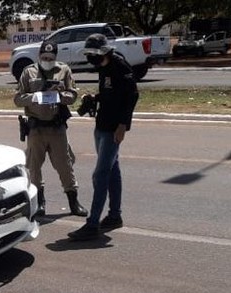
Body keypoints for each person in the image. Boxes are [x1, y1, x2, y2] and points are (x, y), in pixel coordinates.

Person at [68, 33, 139, 241]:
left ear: (105, 51)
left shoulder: (120, 66)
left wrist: (123, 125)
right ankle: (115, 216)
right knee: (112, 171)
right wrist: (95, 97)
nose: (91, 58)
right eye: (89, 54)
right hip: (101, 125)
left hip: (113, 129)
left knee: (100, 175)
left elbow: (132, 96)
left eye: (94, 54)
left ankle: (92, 225)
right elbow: (111, 93)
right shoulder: (103, 68)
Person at [13, 41, 87, 217]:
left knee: (65, 166)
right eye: (44, 57)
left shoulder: (63, 70)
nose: (47, 60)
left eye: (51, 58)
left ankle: (73, 202)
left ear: (56, 57)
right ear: (39, 56)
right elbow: (18, 99)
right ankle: (40, 202)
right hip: (36, 129)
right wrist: (35, 97)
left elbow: (72, 95)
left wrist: (58, 95)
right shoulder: (29, 72)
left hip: (56, 128)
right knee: (34, 167)